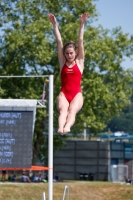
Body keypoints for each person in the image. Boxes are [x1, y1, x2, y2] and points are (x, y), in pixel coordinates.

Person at [48, 13, 89, 134]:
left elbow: (80, 41)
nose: (69, 55)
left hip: (76, 94)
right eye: (67, 53)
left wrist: (82, 24)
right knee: (63, 111)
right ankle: (60, 128)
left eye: (71, 53)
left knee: (72, 110)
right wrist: (55, 24)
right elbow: (59, 41)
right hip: (64, 93)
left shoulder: (79, 62)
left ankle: (68, 126)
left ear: (75, 53)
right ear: (64, 54)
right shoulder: (62, 62)